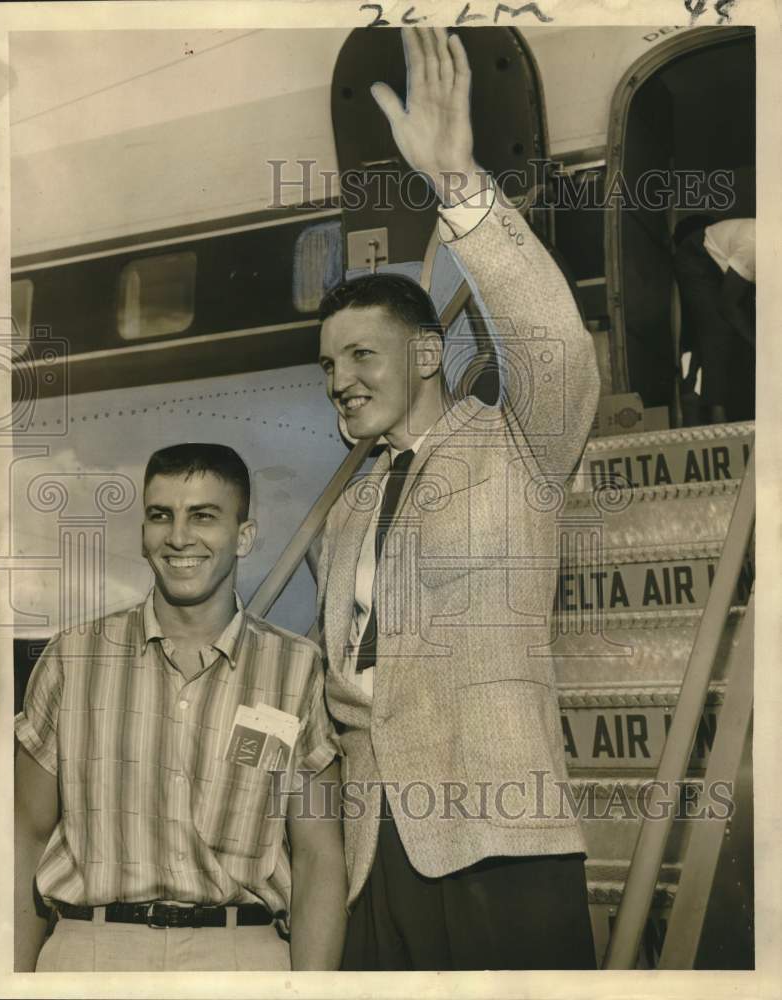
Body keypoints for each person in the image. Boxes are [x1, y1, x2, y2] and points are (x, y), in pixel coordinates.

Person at [314, 28, 600, 970]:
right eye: (328, 367)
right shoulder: (347, 511)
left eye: (362, 356)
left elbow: (551, 337)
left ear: (429, 355)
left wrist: (460, 188)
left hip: (497, 842)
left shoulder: (519, 445)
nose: (340, 382)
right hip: (369, 854)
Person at [14, 443, 346, 972]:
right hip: (90, 953)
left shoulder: (294, 669)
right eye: (160, 515)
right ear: (144, 533)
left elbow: (318, 858)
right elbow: (24, 836)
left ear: (244, 537)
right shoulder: (71, 658)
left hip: (241, 958)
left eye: (204, 516)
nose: (178, 536)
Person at [673, 215, 755, 424]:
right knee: (719, 329)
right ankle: (718, 416)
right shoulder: (754, 248)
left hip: (723, 263)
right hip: (697, 256)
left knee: (741, 326)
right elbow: (727, 305)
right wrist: (755, 340)